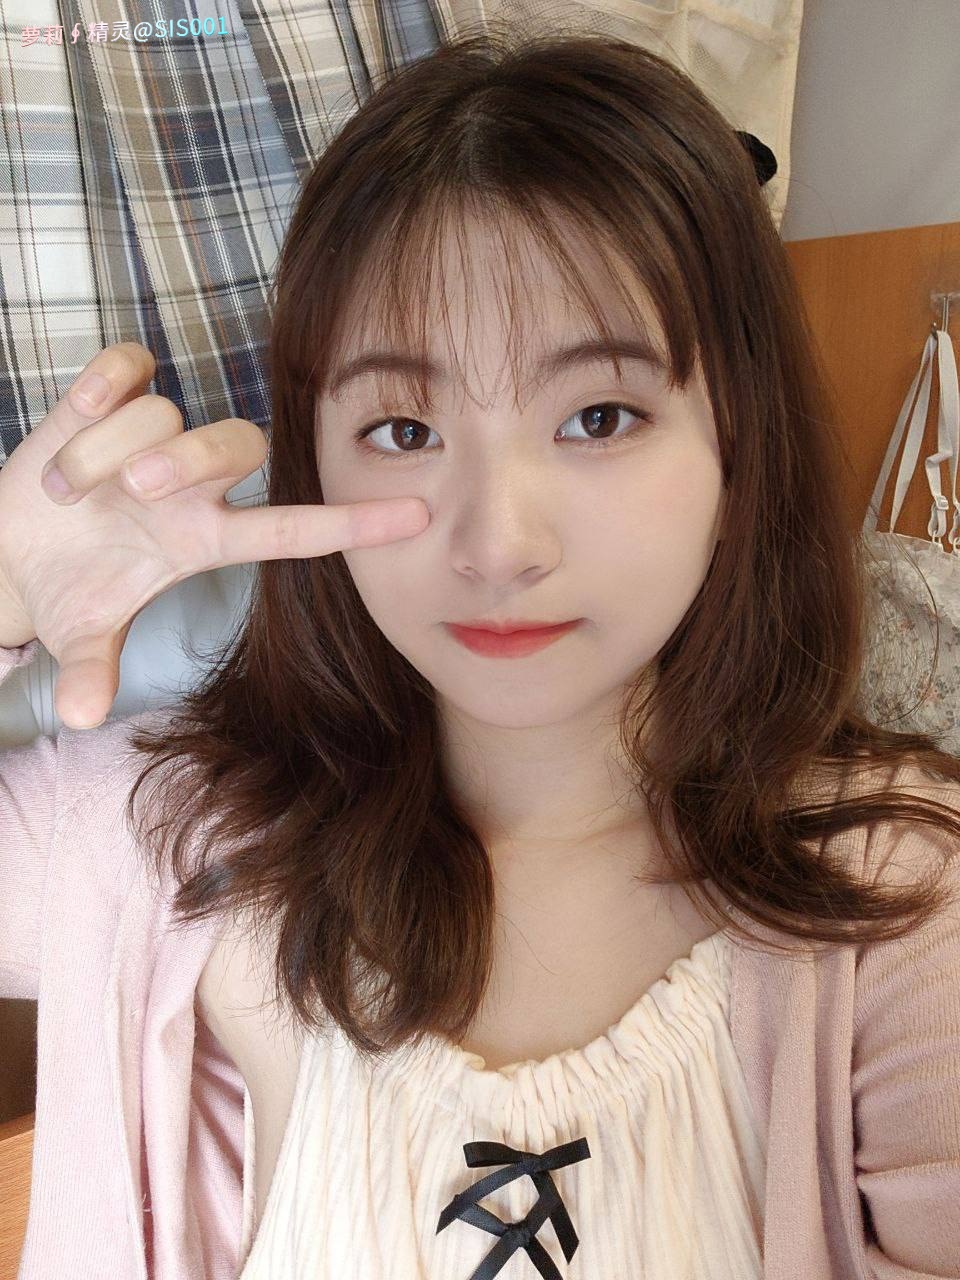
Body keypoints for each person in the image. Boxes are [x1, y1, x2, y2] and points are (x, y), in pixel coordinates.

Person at [2, 24, 959, 1280]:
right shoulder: (171, 842)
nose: (498, 543)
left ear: (738, 444)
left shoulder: (900, 907)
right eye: (404, 430)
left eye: (599, 415)